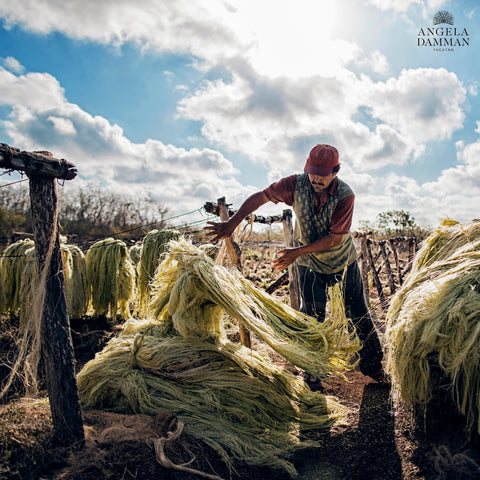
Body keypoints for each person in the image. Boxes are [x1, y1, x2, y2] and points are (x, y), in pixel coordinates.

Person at [204, 144, 387, 385]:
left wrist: (296, 252)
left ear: (336, 171)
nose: (316, 179)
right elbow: (262, 197)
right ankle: (311, 370)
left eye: (322, 175)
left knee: (358, 313)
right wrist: (233, 223)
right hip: (309, 263)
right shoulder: (296, 184)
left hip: (342, 261)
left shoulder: (345, 195)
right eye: (312, 173)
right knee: (310, 316)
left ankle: (373, 367)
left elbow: (335, 238)